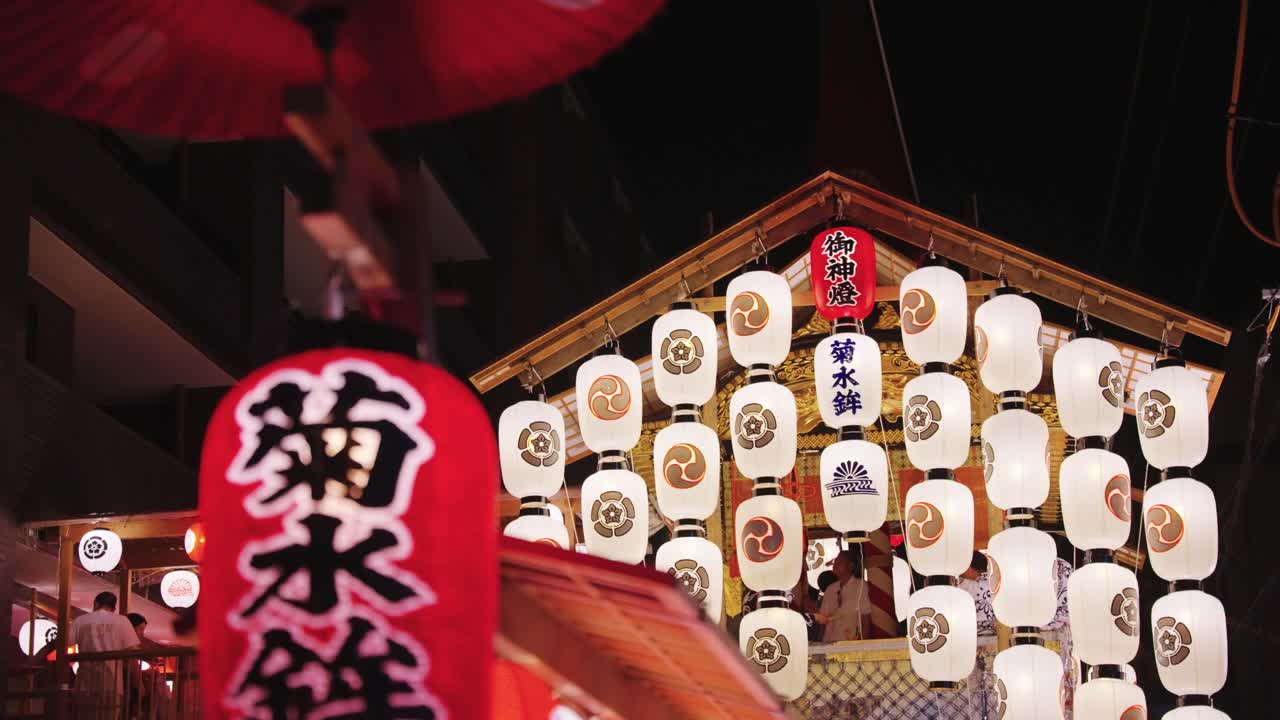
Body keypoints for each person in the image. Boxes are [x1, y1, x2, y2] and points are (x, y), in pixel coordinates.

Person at [70, 592, 139, 719]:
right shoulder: (122, 621)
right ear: (114, 608)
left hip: (85, 681)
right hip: (112, 682)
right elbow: (132, 652)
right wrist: (137, 682)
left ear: (96, 603)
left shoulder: (80, 621)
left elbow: (66, 642)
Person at [813, 550, 871, 642]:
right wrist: (819, 643)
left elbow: (865, 619)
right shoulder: (830, 589)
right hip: (829, 643)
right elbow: (822, 621)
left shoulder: (860, 586)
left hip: (850, 643)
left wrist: (862, 644)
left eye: (839, 562)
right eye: (835, 561)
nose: (835, 564)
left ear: (851, 566)